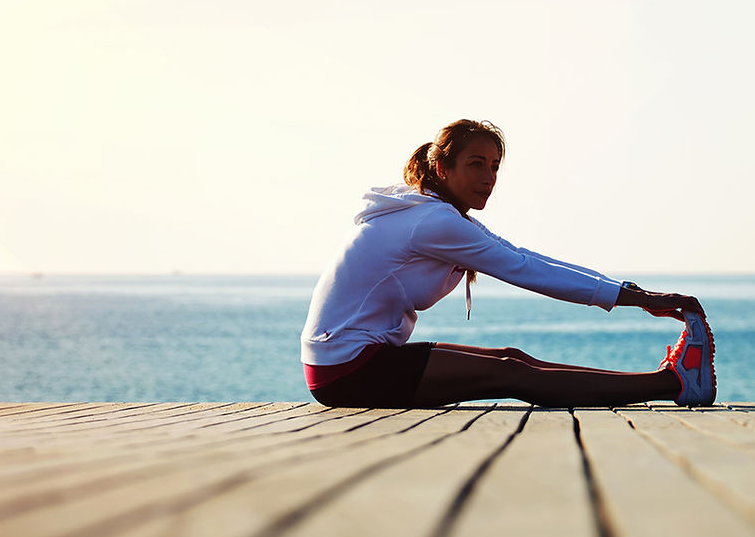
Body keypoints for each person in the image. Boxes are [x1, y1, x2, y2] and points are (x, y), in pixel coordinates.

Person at [300, 119, 716, 408]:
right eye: (476, 164)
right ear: (442, 168)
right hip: (348, 369)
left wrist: (632, 292)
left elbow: (524, 257)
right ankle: (672, 384)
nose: (489, 178)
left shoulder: (433, 214)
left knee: (512, 358)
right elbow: (524, 269)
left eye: (495, 166)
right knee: (512, 373)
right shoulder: (431, 221)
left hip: (349, 361)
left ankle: (673, 380)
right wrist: (637, 299)